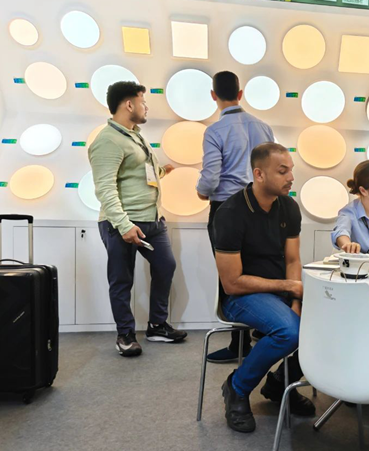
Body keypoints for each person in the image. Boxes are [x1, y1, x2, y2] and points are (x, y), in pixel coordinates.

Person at [214, 143, 314, 433]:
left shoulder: (289, 207)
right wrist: (290, 287)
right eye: (282, 171)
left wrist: (295, 300)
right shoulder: (230, 213)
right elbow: (232, 282)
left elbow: (293, 259)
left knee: (335, 320)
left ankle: (280, 382)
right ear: (259, 174)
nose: (291, 177)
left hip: (281, 292)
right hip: (242, 296)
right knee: (290, 332)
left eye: (291, 170)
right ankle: (237, 387)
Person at [89, 81, 187, 357]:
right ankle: (125, 335)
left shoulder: (136, 136)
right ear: (129, 104)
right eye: (143, 102)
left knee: (166, 266)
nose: (146, 107)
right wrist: (123, 225)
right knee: (122, 280)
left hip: (152, 220)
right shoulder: (107, 141)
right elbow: (105, 188)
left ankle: (156, 325)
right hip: (122, 223)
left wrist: (162, 171)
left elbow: (140, 172)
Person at [196, 71, 274, 364]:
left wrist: (202, 192)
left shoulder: (215, 131)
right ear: (240, 94)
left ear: (213, 96)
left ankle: (238, 344)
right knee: (259, 268)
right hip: (261, 208)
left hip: (226, 210)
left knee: (230, 275)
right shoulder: (264, 127)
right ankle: (263, 328)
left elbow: (210, 177)